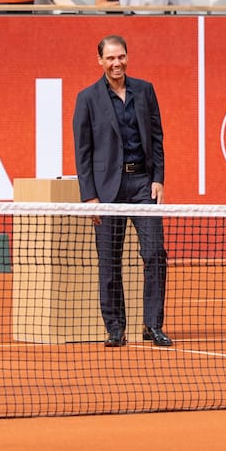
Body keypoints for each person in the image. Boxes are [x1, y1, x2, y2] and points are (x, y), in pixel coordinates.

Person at [73, 33, 170, 349]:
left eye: (121, 57)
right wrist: (90, 197)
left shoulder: (145, 91)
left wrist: (158, 179)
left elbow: (156, 138)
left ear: (128, 57)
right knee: (109, 262)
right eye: (110, 58)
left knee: (155, 254)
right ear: (100, 61)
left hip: (143, 185)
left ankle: (153, 326)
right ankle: (115, 329)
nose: (116, 63)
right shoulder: (87, 98)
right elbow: (82, 151)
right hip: (107, 191)